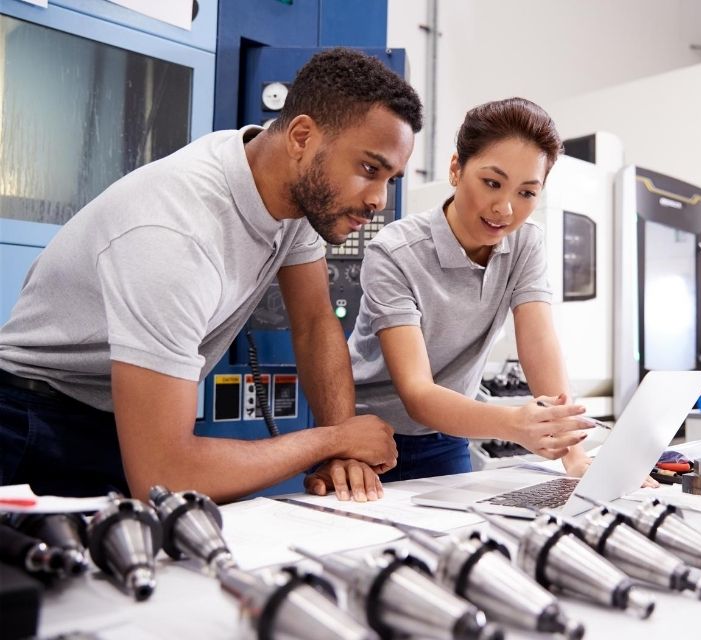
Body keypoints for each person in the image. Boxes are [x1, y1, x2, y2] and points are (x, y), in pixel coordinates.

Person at [0, 48, 421, 503]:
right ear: (302, 137)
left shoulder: (290, 190)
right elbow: (164, 476)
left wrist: (345, 451)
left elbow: (315, 321)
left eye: (391, 179)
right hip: (31, 424)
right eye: (369, 169)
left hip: (115, 418)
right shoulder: (174, 234)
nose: (379, 200)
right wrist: (333, 440)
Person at [307, 97, 650, 497]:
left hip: (448, 435)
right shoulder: (395, 252)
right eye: (492, 183)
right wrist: (514, 424)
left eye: (527, 192)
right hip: (369, 439)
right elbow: (417, 393)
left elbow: (539, 344)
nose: (504, 208)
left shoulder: (525, 244)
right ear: (456, 169)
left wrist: (573, 456)